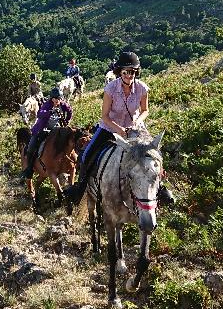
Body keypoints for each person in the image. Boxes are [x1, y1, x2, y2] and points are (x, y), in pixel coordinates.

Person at [64, 51, 175, 205]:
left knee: (153, 154)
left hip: (135, 128)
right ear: (119, 72)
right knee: (86, 155)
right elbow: (105, 116)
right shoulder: (110, 89)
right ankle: (80, 188)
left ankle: (161, 188)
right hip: (110, 127)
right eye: (126, 72)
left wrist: (137, 122)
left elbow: (145, 110)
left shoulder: (142, 88)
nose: (129, 75)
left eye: (132, 72)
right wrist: (120, 130)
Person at [21, 86, 73, 179]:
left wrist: (67, 120)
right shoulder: (47, 105)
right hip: (42, 129)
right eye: (56, 99)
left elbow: (70, 111)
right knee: (30, 148)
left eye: (59, 98)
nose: (58, 100)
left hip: (56, 129)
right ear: (52, 99)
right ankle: (29, 169)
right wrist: (50, 112)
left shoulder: (63, 104)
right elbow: (40, 113)